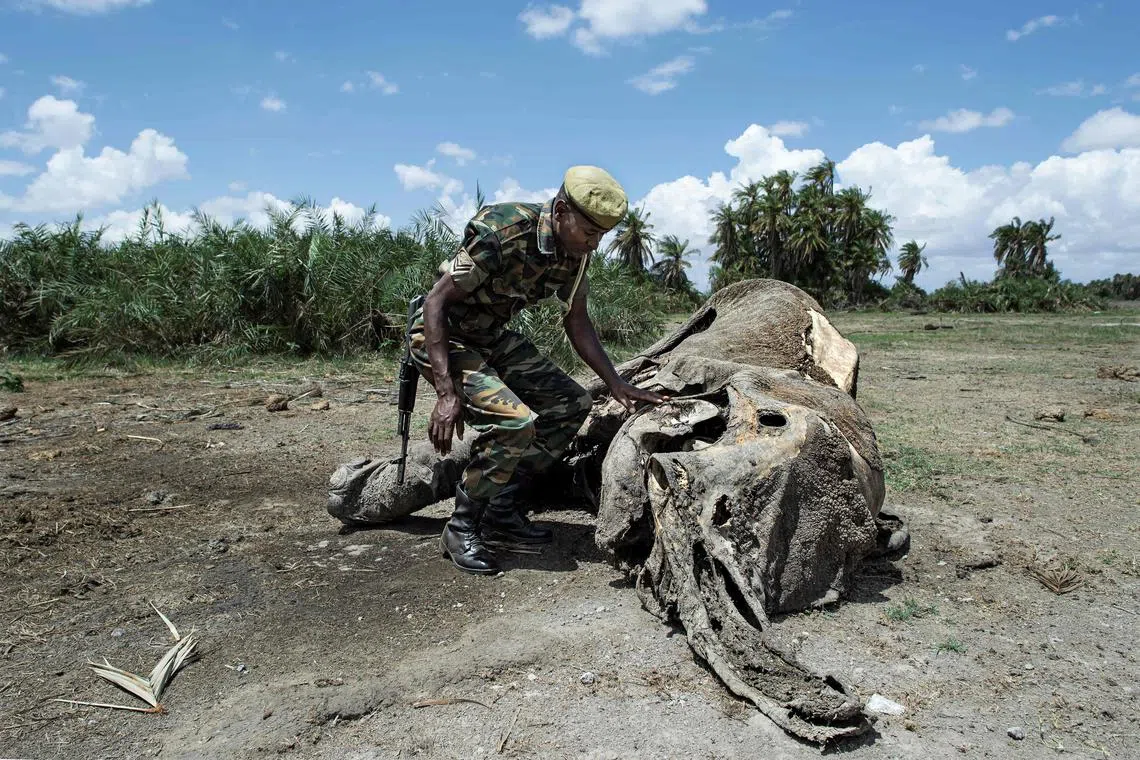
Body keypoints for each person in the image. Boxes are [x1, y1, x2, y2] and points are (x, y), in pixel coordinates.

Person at [406, 165, 667, 576]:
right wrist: (445, 393)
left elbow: (577, 322)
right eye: (588, 232)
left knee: (571, 404)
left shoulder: (575, 254)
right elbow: (435, 304)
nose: (594, 244)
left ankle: (502, 508)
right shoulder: (503, 231)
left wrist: (616, 383)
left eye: (601, 236)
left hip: (488, 336)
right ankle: (461, 526)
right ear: (561, 211)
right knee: (515, 423)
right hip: (441, 337)